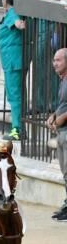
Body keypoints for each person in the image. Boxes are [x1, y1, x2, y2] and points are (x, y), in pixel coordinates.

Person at [0, 0, 26, 141]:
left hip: (13, 62)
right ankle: (19, 127)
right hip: (12, 61)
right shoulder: (10, 14)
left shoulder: (12, 13)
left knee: (14, 96)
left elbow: (17, 22)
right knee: (16, 95)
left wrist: (20, 24)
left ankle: (17, 130)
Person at [47, 47, 67, 221]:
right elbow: (63, 104)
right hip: (62, 132)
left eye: (58, 60)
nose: (54, 63)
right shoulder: (62, 80)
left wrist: (62, 118)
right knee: (65, 171)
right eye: (54, 60)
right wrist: (53, 116)